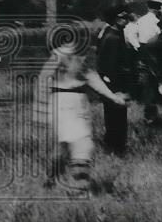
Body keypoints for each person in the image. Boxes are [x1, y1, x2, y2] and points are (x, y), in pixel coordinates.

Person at [34, 31, 127, 192]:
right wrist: (40, 111)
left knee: (69, 146)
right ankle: (79, 186)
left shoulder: (79, 59)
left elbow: (93, 79)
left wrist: (113, 97)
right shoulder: (56, 58)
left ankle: (55, 179)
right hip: (61, 104)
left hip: (78, 104)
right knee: (80, 145)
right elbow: (43, 83)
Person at [96, 4, 135, 155]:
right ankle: (117, 148)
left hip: (111, 83)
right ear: (117, 20)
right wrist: (118, 88)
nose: (127, 20)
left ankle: (112, 145)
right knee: (117, 117)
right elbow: (111, 66)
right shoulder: (113, 38)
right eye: (124, 17)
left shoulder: (111, 34)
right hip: (115, 84)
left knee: (113, 116)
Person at [135, 0, 162, 124]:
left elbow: (135, 36)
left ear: (148, 8)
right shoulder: (156, 21)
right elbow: (160, 36)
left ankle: (148, 114)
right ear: (157, 9)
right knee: (155, 80)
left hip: (142, 51)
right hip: (153, 51)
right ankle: (152, 115)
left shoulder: (140, 20)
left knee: (146, 82)